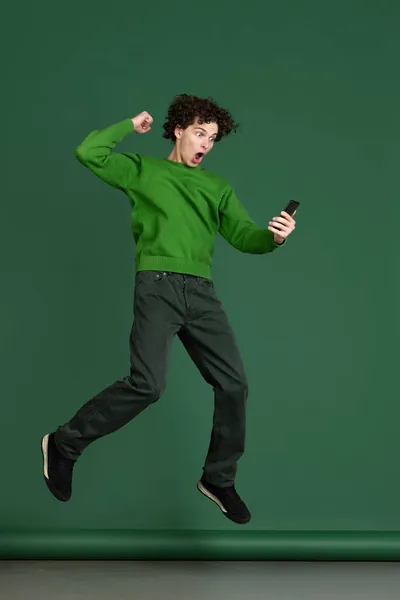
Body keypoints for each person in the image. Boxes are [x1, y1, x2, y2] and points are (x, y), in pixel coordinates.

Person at [41, 94, 296, 525]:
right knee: (148, 385)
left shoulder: (217, 188)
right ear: (177, 129)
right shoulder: (143, 171)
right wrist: (128, 125)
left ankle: (218, 478)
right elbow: (88, 152)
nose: (205, 144)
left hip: (201, 293)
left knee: (234, 385)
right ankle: (64, 444)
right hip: (157, 285)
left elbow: (244, 237)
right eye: (199, 133)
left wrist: (274, 238)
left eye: (212, 138)